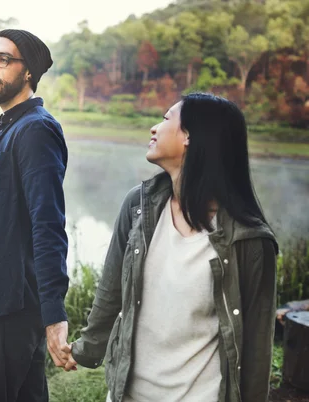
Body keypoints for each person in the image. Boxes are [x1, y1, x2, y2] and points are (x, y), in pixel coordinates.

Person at [63, 92, 279, 402]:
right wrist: (86, 350)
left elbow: (258, 347)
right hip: (128, 393)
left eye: (165, 119)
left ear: (191, 136)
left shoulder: (250, 241)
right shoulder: (137, 206)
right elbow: (111, 293)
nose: (153, 128)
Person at [0, 29, 71, 402]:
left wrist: (54, 315)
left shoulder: (34, 130)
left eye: (3, 59)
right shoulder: (10, 126)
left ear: (28, 73)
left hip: (3, 313)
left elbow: (48, 225)